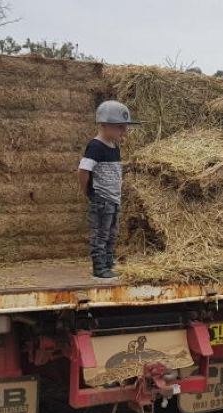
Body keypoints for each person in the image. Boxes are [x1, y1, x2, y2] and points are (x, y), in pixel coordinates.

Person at [77, 100, 139, 279]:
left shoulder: (114, 146)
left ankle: (108, 262)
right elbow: (83, 171)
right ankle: (99, 267)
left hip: (113, 198)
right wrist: (87, 191)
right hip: (102, 199)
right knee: (101, 234)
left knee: (112, 233)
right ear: (104, 125)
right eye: (120, 127)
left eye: (125, 127)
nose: (124, 131)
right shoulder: (95, 146)